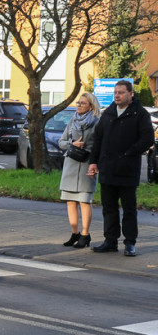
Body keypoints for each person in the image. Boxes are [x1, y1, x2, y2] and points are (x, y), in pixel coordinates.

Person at [88, 79, 155, 256]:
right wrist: (94, 162)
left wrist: (129, 153)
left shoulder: (139, 114)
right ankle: (110, 241)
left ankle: (130, 242)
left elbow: (147, 139)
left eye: (121, 92)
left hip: (127, 169)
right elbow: (98, 139)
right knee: (108, 208)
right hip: (108, 168)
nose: (117, 95)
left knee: (129, 209)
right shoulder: (108, 113)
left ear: (131, 94)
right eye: (115, 92)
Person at [58, 92, 101, 249]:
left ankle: (85, 234)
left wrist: (96, 163)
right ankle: (74, 233)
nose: (79, 105)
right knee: (70, 201)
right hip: (70, 164)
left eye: (83, 103)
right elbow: (61, 142)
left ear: (91, 105)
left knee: (84, 201)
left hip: (87, 164)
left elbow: (99, 145)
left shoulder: (97, 122)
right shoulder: (73, 120)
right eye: (78, 103)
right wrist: (72, 143)